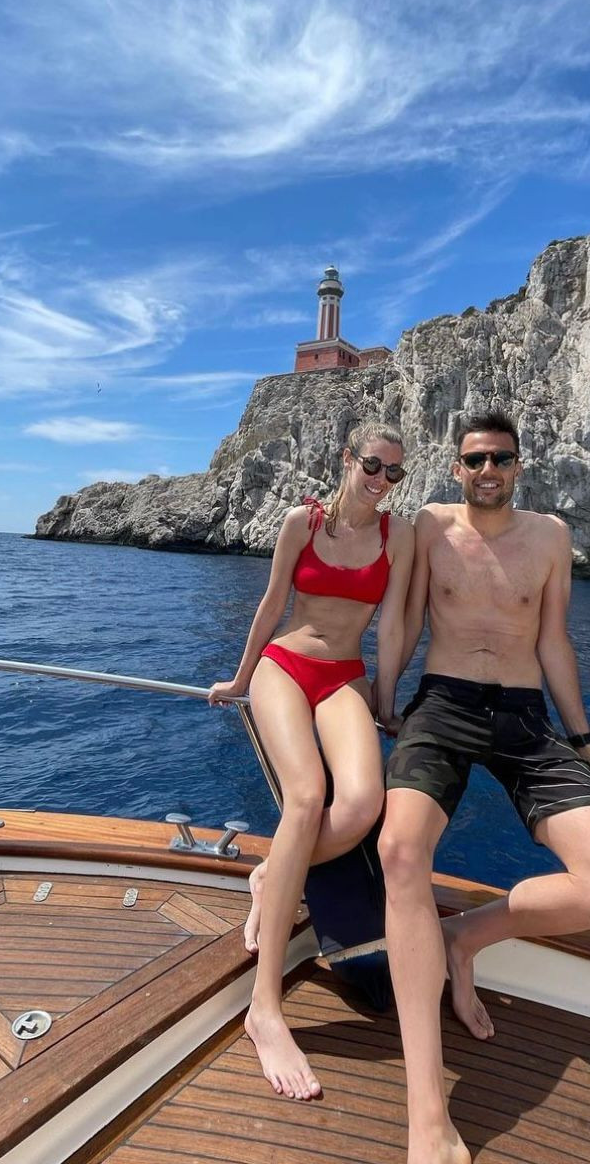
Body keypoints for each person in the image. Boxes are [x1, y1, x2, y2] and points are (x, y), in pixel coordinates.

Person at [379, 408, 590, 1164]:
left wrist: (583, 738)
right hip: (442, 705)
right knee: (400, 853)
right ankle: (427, 1114)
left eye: (499, 458)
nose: (486, 470)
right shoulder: (429, 526)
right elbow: (401, 619)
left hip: (526, 718)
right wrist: (384, 697)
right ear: (455, 468)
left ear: (518, 465)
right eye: (473, 459)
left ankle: (464, 936)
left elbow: (554, 639)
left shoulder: (551, 537)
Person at [208, 422, 414, 1101]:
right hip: (285, 667)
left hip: (345, 676)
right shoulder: (303, 521)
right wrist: (241, 679)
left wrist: (387, 701)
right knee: (305, 797)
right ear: (348, 459)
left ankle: (273, 875)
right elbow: (272, 603)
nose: (382, 482)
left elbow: (392, 626)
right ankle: (264, 1008)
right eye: (374, 466)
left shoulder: (399, 535)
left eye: (395, 473)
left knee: (360, 805)